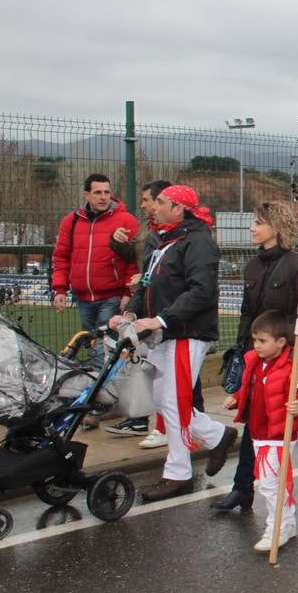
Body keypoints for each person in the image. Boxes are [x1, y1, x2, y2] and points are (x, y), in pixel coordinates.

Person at [108, 185, 237, 502]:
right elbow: (147, 282)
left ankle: (177, 472)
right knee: (165, 401)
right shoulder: (160, 239)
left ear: (178, 208)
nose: (154, 206)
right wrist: (131, 311)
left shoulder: (198, 242)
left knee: (176, 402)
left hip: (186, 332)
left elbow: (201, 291)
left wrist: (161, 319)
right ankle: (218, 435)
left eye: (161, 202)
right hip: (162, 333)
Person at [212, 201, 298, 512]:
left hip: (296, 354)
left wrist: (294, 350)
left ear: (277, 228)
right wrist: (245, 351)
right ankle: (242, 488)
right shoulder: (252, 267)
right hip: (260, 355)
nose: (252, 228)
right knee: (254, 415)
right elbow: (247, 313)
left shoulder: (296, 265)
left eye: (258, 222)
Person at [222, 311, 298, 552]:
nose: (256, 345)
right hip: (258, 432)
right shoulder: (254, 363)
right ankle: (287, 523)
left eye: (262, 341)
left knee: (270, 484)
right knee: (274, 482)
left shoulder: (291, 368)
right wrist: (237, 399)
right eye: (255, 340)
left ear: (280, 342)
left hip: (279, 434)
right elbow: (250, 390)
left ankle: (276, 527)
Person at [51, 173, 140, 379]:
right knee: (92, 345)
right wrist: (60, 289)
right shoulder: (71, 221)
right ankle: (106, 389)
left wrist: (128, 292)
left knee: (103, 345)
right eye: (98, 192)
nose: (103, 197)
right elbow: (61, 256)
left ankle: (105, 391)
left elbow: (133, 260)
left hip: (112, 296)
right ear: (87, 194)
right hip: (82, 297)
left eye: (107, 192)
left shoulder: (126, 220)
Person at [108, 179, 176, 445]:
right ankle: (152, 421)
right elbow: (140, 259)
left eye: (150, 200)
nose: (145, 204)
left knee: (163, 376)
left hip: (162, 314)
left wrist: (145, 281)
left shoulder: (173, 235)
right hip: (147, 307)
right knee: (147, 369)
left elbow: (161, 273)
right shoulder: (151, 231)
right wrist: (117, 243)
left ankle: (173, 426)